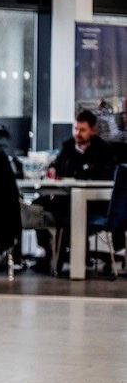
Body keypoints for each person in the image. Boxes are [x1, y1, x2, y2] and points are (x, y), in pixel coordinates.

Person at [34, 110, 118, 273]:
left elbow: (105, 176)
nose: (77, 133)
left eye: (82, 130)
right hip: (64, 198)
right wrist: (52, 172)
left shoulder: (104, 151)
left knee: (68, 215)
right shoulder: (67, 148)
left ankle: (68, 258)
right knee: (38, 207)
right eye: (75, 129)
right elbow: (56, 168)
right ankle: (49, 254)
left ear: (92, 130)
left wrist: (81, 173)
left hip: (93, 202)